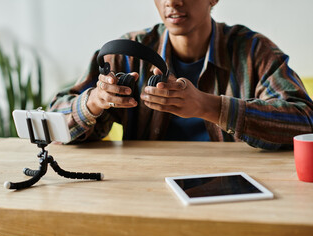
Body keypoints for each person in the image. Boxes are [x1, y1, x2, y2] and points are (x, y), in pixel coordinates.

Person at [49, 0, 313, 150]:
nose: (172, 2)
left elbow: (304, 121)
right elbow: (53, 120)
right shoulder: (127, 53)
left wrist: (210, 106)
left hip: (234, 189)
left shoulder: (253, 51)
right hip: (147, 190)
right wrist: (94, 102)